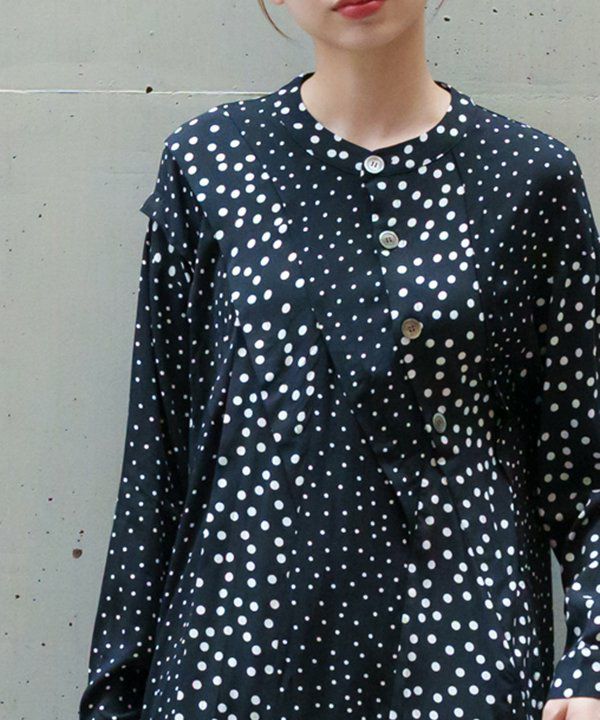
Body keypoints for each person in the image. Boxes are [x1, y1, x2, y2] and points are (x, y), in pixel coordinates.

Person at [78, 1, 600, 719]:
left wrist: (591, 664)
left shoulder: (527, 177)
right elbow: (157, 463)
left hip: (458, 666)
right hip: (237, 664)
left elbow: (585, 466)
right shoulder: (210, 163)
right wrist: (113, 696)